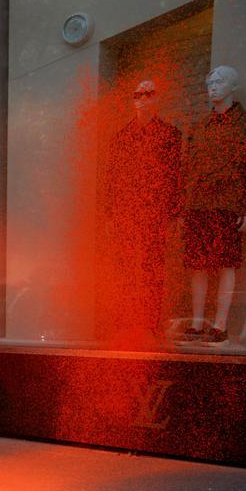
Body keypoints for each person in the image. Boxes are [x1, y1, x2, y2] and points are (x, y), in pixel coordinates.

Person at [181, 66, 246, 345]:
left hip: (228, 203)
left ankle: (220, 325)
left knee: (226, 264)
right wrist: (185, 205)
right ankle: (196, 324)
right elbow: (188, 167)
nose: (213, 87)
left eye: (220, 82)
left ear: (233, 86)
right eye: (210, 83)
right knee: (197, 266)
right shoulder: (200, 125)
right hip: (198, 204)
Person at [102, 79, 182, 347]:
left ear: (157, 99)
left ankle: (149, 324)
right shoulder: (122, 136)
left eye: (148, 94)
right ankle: (124, 322)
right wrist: (110, 215)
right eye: (138, 94)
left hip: (154, 215)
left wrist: (172, 214)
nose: (143, 98)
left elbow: (175, 177)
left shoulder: (170, 135)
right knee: (125, 269)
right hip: (126, 213)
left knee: (152, 270)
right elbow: (111, 178)